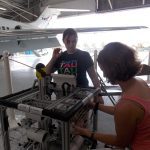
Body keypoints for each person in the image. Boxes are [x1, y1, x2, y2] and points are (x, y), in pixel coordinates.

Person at [73, 42, 150, 150]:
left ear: (113, 69)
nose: (104, 75)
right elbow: (122, 112)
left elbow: (121, 142)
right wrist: (94, 105)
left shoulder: (126, 105)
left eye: (104, 70)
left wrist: (87, 132)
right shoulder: (139, 82)